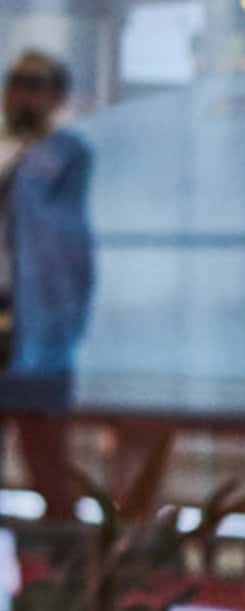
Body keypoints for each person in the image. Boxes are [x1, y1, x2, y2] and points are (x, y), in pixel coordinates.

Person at [0, 50, 93, 380]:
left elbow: (68, 236)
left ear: (55, 97)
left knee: (38, 407)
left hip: (35, 300)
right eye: (15, 84)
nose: (22, 95)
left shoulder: (66, 152)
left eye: (34, 85)